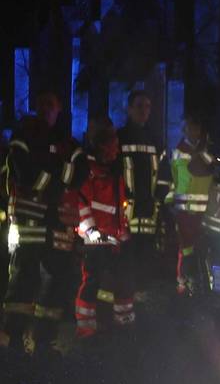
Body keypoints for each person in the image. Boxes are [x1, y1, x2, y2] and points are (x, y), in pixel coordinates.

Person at [2, 91, 85, 356]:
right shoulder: (23, 134)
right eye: (44, 103)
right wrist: (57, 180)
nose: (49, 108)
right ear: (38, 107)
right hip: (28, 219)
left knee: (56, 278)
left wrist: (49, 176)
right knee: (23, 276)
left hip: (54, 220)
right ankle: (13, 337)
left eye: (53, 104)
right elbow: (24, 173)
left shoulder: (64, 141)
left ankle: (44, 338)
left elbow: (80, 170)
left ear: (59, 108)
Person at [75, 119, 134, 338]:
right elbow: (80, 202)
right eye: (114, 145)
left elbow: (118, 205)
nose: (117, 150)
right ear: (102, 145)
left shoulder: (112, 169)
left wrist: (122, 233)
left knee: (120, 280)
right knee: (92, 282)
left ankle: (123, 323)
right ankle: (87, 328)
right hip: (95, 239)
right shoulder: (87, 168)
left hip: (112, 236)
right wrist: (91, 231)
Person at [118, 89, 169, 303]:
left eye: (147, 106)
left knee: (146, 252)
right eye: (139, 106)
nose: (144, 110)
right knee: (125, 255)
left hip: (149, 208)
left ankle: (141, 297)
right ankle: (125, 300)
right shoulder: (119, 137)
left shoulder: (157, 140)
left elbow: (165, 174)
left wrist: (159, 198)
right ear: (129, 109)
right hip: (125, 209)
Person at [165, 112, 215, 297]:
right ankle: (184, 284)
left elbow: (210, 169)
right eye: (189, 128)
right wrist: (169, 203)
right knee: (186, 248)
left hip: (204, 210)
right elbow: (174, 178)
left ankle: (197, 286)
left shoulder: (206, 151)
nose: (193, 131)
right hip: (184, 209)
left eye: (195, 128)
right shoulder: (178, 150)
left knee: (200, 249)